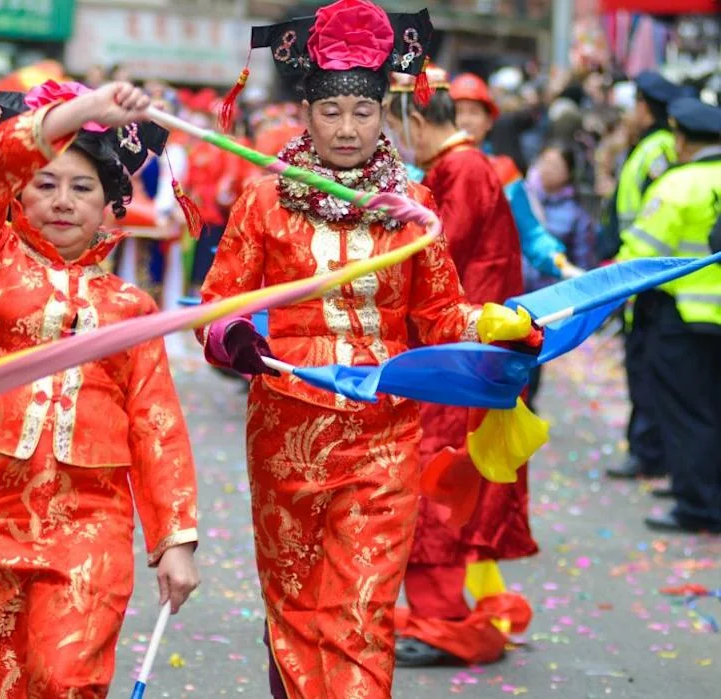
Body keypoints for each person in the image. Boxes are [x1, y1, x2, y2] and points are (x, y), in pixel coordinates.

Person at [199, 2, 536, 695]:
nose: (347, 127)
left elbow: (440, 315)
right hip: (285, 426)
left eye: (363, 110)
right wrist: (236, 341)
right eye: (332, 112)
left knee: (361, 610)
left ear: (385, 110)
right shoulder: (264, 200)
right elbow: (217, 306)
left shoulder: (413, 204)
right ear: (307, 113)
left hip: (383, 433)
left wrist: (497, 324)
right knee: (295, 603)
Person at [0, 81, 200, 697]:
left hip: (88, 522)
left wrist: (174, 540)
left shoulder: (132, 305)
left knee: (66, 677)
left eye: (82, 188)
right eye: (45, 183)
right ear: (19, 191)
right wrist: (81, 113)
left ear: (110, 203)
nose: (63, 201)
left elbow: (156, 421)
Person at [384, 66, 537, 668]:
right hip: (458, 354)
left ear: (416, 121)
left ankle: (439, 616)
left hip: (459, 356)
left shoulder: (463, 170)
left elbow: (433, 256)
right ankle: (437, 609)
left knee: (438, 485)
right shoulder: (461, 168)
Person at [616, 98, 721, 534]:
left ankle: (696, 503)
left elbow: (639, 256)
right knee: (712, 409)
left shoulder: (678, 186)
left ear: (682, 139)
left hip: (683, 319)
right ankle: (704, 491)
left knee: (686, 412)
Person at [602, 71, 691, 481]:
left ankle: (648, 450)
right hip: (636, 266)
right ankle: (649, 449)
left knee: (646, 367)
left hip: (643, 270)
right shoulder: (650, 144)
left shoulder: (658, 148)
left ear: (645, 107)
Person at [448, 72, 584, 281]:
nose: (465, 120)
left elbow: (530, 233)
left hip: (488, 294)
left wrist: (559, 263)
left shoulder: (503, 172)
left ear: (489, 122)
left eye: (474, 112)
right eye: (458, 112)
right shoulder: (427, 170)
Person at [525, 142, 595, 408]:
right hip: (512, 289)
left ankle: (526, 404)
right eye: (545, 161)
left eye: (557, 166)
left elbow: (581, 259)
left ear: (568, 174)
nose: (548, 170)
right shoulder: (521, 197)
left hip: (545, 300)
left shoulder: (575, 215)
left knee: (531, 356)